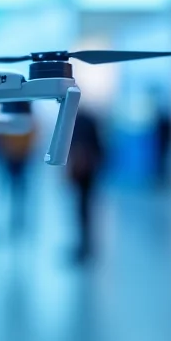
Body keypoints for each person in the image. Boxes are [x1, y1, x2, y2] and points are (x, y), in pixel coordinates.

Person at [0, 102, 37, 238]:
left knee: (14, 192)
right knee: (15, 192)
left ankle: (16, 222)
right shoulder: (25, 118)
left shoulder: (14, 117)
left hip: (16, 159)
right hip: (13, 158)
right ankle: (14, 222)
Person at [67, 107, 103, 264]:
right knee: (85, 209)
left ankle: (85, 246)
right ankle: (86, 245)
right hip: (90, 171)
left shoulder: (76, 122)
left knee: (82, 210)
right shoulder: (88, 121)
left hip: (83, 172)